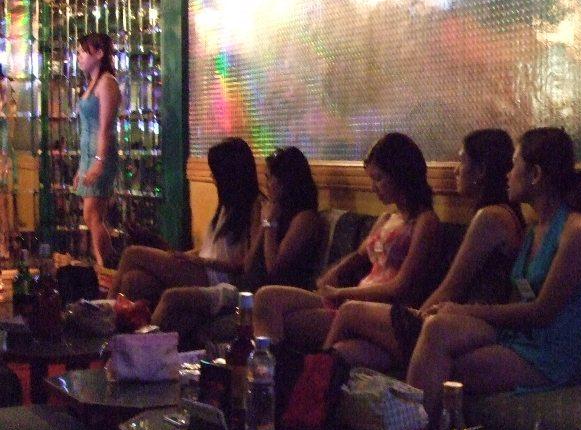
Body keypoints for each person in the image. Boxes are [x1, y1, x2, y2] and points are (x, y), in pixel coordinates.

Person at [404, 127, 581, 419]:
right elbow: (518, 299)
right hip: (523, 336)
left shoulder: (579, 232)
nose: (507, 174)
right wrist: (452, 314)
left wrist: (466, 310)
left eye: (514, 165)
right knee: (436, 326)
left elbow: (542, 312)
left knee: (447, 367)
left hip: (557, 353)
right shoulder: (533, 230)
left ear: (535, 174)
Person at [324, 128, 524, 371]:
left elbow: (450, 288)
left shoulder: (490, 217)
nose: (456, 170)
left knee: (349, 311)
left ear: (481, 171)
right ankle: (320, 375)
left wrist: (416, 319)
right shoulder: (503, 215)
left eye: (462, 161)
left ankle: (315, 376)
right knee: (344, 350)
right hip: (463, 319)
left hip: (469, 324)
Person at [253, 132, 440, 353]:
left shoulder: (425, 221)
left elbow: (401, 286)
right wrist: (332, 275)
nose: (373, 187)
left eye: (378, 179)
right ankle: (267, 367)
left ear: (400, 175)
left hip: (377, 312)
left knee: (290, 321)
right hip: (351, 299)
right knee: (266, 297)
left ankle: (279, 366)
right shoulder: (387, 218)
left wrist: (341, 293)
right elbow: (358, 256)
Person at [149, 146, 324, 344]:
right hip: (242, 289)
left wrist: (270, 224)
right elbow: (248, 265)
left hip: (267, 297)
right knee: (178, 315)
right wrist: (265, 223)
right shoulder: (271, 210)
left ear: (286, 181)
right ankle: (146, 353)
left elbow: (274, 270)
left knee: (171, 297)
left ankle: (142, 350)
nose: (267, 184)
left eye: (270, 178)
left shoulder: (305, 219)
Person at [109, 137, 261, 313]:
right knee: (133, 280)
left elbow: (245, 265)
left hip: (218, 277)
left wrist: (202, 261)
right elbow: (211, 248)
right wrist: (185, 255)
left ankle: (105, 310)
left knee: (132, 253)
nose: (212, 177)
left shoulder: (254, 206)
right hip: (202, 268)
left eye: (216, 172)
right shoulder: (227, 205)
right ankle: (127, 322)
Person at [73, 33, 121, 267]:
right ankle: (106, 264)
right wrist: (81, 167)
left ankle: (107, 265)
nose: (79, 56)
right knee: (91, 215)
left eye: (84, 52)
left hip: (101, 154)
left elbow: (106, 128)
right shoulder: (92, 83)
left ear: (99, 53)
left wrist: (99, 161)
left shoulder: (107, 83)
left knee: (93, 214)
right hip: (88, 154)